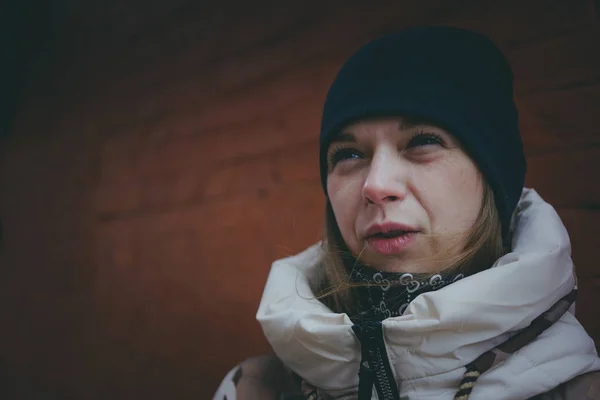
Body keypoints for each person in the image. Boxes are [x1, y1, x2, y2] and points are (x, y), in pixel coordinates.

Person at [213, 26, 600, 400]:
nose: (376, 185)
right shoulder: (254, 389)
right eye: (349, 154)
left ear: (492, 178)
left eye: (423, 141)